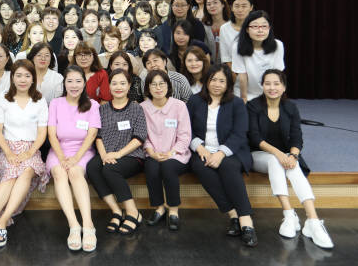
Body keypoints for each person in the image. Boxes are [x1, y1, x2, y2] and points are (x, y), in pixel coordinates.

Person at [247, 70, 333, 248]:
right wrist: (280, 154)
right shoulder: (253, 106)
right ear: (262, 86)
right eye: (268, 83)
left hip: (286, 157)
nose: (272, 87)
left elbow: (297, 138)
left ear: (284, 86)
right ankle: (288, 214)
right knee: (275, 160)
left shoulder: (291, 107)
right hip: (258, 155)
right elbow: (255, 138)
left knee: (292, 166)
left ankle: (313, 221)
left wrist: (293, 155)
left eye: (276, 83)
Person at [0, 60, 49, 252]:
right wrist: (9, 152)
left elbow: (42, 133)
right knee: (10, 172)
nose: (23, 79)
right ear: (12, 77)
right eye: (19, 75)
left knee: (26, 171)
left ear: (33, 78)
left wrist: (29, 152)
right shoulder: (4, 98)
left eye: (27, 75)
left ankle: (2, 221)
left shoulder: (39, 100)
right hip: (7, 147)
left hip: (31, 148)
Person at [187, 64, 257, 247]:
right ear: (206, 81)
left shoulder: (235, 103)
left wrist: (220, 153)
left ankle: (245, 220)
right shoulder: (195, 101)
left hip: (231, 150)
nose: (217, 84)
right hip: (202, 149)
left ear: (228, 84)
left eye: (222, 81)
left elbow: (240, 133)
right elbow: (186, 130)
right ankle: (232, 213)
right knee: (200, 167)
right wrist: (199, 147)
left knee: (228, 167)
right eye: (213, 80)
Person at [87, 69, 147, 235]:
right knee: (92, 167)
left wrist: (118, 154)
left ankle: (133, 212)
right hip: (107, 153)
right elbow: (97, 136)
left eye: (122, 83)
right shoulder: (103, 109)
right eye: (114, 83)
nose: (118, 87)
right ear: (109, 86)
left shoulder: (136, 108)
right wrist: (105, 155)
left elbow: (140, 137)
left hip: (131, 156)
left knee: (110, 169)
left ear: (129, 86)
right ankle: (116, 210)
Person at [46, 66, 100, 251]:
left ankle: (88, 225)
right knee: (60, 173)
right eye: (70, 81)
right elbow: (51, 135)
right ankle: (74, 226)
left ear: (84, 84)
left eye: (78, 81)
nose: (74, 85)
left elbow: (92, 135)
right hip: (58, 151)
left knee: (76, 173)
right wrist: (62, 158)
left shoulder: (93, 105)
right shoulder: (55, 103)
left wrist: (75, 158)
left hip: (82, 152)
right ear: (64, 83)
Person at [141, 69, 191, 230]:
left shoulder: (179, 106)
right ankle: (159, 207)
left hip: (176, 154)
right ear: (148, 88)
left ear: (168, 86)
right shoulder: (142, 107)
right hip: (152, 153)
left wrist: (171, 152)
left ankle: (173, 210)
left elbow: (185, 135)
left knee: (168, 167)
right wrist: (151, 152)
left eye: (162, 84)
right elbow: (143, 136)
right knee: (152, 167)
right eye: (153, 84)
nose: (158, 88)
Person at [233, 11, 285, 102]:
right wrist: (244, 98)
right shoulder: (238, 47)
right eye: (255, 26)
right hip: (245, 92)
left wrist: (273, 97)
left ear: (269, 28)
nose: (260, 30)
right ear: (247, 29)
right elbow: (242, 76)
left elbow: (277, 75)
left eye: (264, 26)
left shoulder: (278, 45)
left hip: (269, 92)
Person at [219, 0, 254, 69]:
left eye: (244, 6)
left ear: (251, 7)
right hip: (232, 71)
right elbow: (225, 56)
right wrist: (235, 75)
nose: (240, 10)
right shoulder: (224, 28)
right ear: (232, 8)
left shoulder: (256, 27)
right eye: (236, 6)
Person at [202, 0, 230, 65]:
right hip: (208, 67)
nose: (212, 6)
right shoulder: (203, 26)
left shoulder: (231, 26)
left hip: (229, 67)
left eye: (215, 3)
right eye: (208, 4)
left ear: (223, 4)